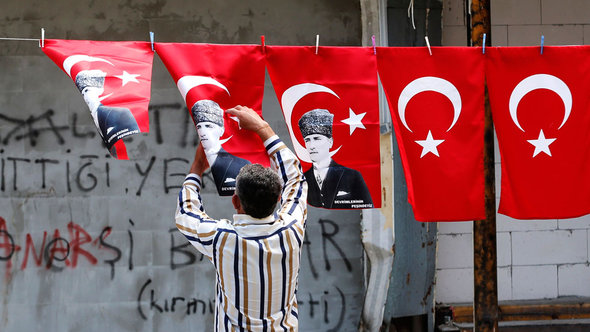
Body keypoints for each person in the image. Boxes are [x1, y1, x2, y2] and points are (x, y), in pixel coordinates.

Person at [176, 105, 308, 331]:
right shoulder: (292, 230)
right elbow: (295, 180)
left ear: (235, 201)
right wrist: (262, 128)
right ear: (278, 200)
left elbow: (186, 214)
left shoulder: (221, 239)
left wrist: (198, 165)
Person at [298, 108, 373, 209]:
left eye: (317, 139)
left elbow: (367, 203)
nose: (311, 146)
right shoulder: (302, 178)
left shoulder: (352, 176)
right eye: (307, 140)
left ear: (330, 142)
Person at [191, 99, 250, 196]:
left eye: (208, 126)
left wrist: (197, 167)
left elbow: (187, 205)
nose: (203, 132)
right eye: (199, 127)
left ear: (221, 130)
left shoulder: (242, 164)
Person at [75, 69, 140, 152]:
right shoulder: (92, 115)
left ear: (100, 90)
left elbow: (133, 139)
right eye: (83, 93)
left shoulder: (121, 113)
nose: (86, 96)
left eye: (87, 90)